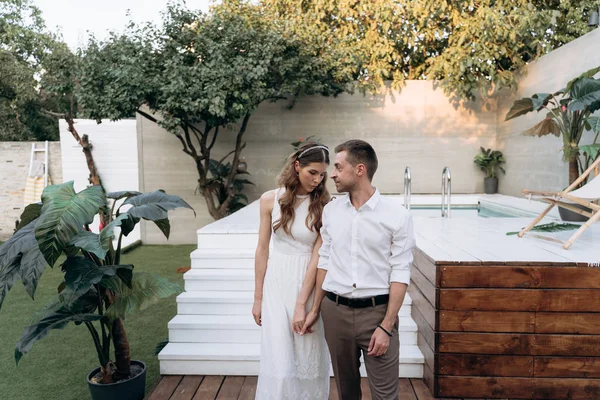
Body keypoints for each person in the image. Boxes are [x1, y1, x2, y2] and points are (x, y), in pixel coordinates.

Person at [302, 139, 416, 400]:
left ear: (360, 170)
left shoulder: (397, 216)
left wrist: (386, 326)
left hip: (377, 314)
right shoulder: (331, 212)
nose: (331, 174)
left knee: (385, 395)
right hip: (335, 312)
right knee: (347, 393)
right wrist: (316, 309)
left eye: (339, 168)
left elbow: (400, 272)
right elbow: (324, 262)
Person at [253, 142, 332, 399]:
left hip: (308, 283)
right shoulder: (269, 200)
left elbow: (318, 257)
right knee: (279, 357)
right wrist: (258, 298)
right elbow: (262, 250)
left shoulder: (324, 204)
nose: (317, 180)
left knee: (309, 353)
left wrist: (303, 304)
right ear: (297, 166)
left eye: (322, 174)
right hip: (276, 282)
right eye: (312, 172)